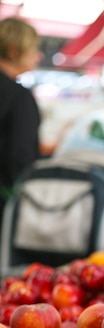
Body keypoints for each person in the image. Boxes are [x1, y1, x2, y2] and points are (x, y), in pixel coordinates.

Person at [0, 17, 42, 218]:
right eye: (33, 49)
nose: (38, 56)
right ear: (14, 50)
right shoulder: (18, 96)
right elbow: (20, 157)